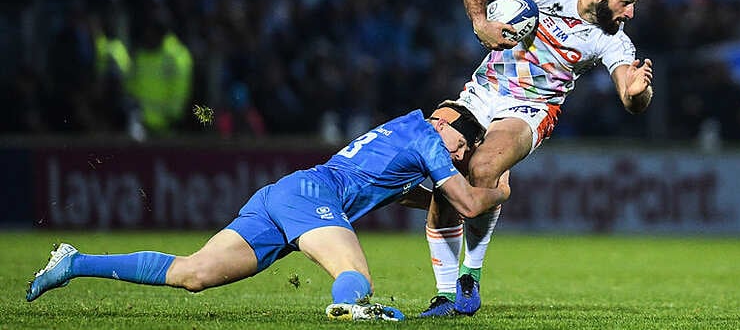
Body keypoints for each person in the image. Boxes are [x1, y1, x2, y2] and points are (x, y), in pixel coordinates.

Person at [26, 103, 510, 321]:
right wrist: (500, 193)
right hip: (312, 195)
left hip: (286, 195)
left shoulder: (404, 133)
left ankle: (74, 262)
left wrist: (439, 198)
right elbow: (467, 203)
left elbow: (413, 195)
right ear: (444, 122)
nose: (460, 157)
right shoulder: (427, 137)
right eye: (462, 145)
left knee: (193, 273)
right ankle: (351, 308)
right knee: (355, 275)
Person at [419, 0, 654, 317]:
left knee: (483, 168)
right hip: (481, 93)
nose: (630, 13)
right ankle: (444, 294)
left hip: (530, 109)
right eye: (627, 2)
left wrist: (638, 92)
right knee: (438, 178)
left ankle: (469, 275)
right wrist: (481, 23)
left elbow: (630, 95)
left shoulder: (614, 41)